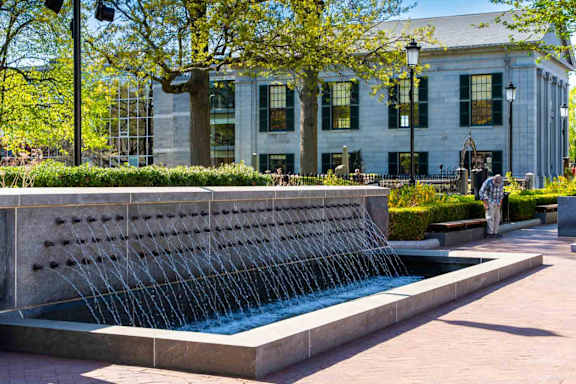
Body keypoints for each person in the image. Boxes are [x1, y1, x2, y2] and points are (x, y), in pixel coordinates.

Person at [479, 174, 504, 238]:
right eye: (496, 183)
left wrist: (500, 202)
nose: (497, 185)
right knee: (490, 217)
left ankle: (495, 233)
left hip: (497, 201)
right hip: (489, 200)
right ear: (494, 180)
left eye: (499, 184)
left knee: (497, 217)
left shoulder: (501, 181)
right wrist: (485, 202)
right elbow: (482, 192)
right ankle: (490, 233)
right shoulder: (488, 181)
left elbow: (501, 193)